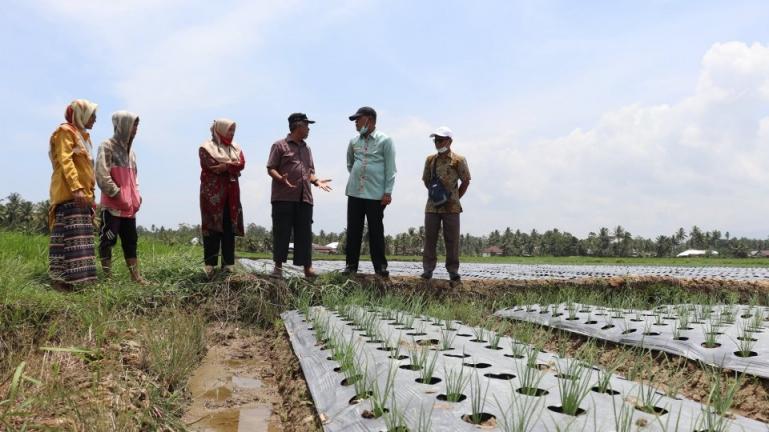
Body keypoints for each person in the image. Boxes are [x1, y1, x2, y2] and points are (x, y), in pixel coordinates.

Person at [266, 113, 332, 278]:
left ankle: (307, 268)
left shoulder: (306, 148)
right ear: (297, 126)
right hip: (283, 197)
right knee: (282, 233)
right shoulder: (279, 145)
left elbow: (310, 172)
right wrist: (280, 178)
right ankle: (278, 268)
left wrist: (317, 181)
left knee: (304, 234)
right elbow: (271, 168)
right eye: (306, 125)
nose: (309, 129)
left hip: (305, 198)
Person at [48, 99, 99, 289]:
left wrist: (90, 194)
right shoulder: (65, 132)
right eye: (92, 115)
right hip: (70, 195)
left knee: (81, 243)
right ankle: (61, 284)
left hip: (82, 197)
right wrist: (76, 188)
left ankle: (81, 284)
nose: (95, 119)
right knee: (66, 243)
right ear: (81, 114)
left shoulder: (83, 137)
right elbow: (65, 161)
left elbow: (88, 168)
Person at [95, 111, 147, 284]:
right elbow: (102, 174)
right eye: (133, 124)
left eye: (137, 125)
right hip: (113, 206)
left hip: (129, 208)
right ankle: (108, 279)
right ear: (123, 125)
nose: (136, 128)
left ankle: (135, 277)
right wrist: (117, 194)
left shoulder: (131, 153)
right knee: (107, 240)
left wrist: (137, 196)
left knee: (131, 242)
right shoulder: (107, 146)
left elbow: (135, 178)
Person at [343, 106, 396, 277]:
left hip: (375, 195)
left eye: (359, 119)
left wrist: (387, 192)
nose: (356, 123)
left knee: (375, 231)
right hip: (355, 193)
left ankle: (380, 267)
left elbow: (391, 169)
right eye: (355, 120)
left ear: (370, 120)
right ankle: (351, 266)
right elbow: (350, 164)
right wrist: (358, 175)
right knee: (353, 231)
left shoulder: (385, 141)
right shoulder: (353, 142)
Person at [420, 126, 471, 281]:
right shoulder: (430, 160)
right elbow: (426, 180)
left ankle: (453, 271)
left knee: (452, 240)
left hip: (452, 208)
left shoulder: (458, 160)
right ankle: (428, 270)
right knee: (430, 239)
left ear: (450, 141)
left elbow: (466, 180)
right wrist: (436, 195)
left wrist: (455, 197)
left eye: (440, 140)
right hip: (432, 207)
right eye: (436, 140)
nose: (437, 143)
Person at [199, 119, 245, 276]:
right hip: (212, 196)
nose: (232, 134)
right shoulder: (206, 147)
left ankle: (228, 265)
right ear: (220, 130)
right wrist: (232, 166)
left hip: (231, 195)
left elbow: (242, 163)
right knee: (212, 228)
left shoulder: (236, 148)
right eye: (229, 130)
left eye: (233, 131)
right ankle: (210, 266)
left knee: (228, 228)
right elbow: (211, 165)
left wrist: (226, 166)